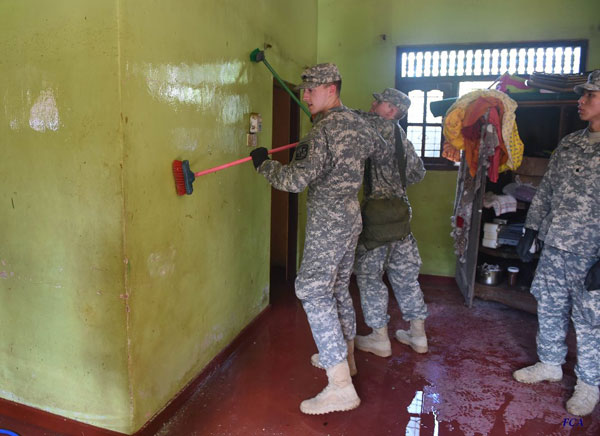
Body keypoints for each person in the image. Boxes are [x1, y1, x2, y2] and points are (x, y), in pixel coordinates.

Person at [249, 63, 390, 415]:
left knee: (313, 289)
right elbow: (381, 146)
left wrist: (263, 163)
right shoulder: (358, 123)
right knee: (338, 288)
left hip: (329, 223)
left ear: (332, 89)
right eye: (304, 89)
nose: (305, 95)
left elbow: (295, 182)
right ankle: (349, 360)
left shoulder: (321, 132)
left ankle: (341, 385)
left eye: (312, 89)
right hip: (350, 218)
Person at [512, 70, 600, 417]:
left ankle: (590, 384)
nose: (581, 101)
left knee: (590, 319)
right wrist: (531, 230)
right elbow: (547, 189)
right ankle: (549, 363)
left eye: (589, 96)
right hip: (556, 242)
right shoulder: (571, 143)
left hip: (591, 251)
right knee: (548, 306)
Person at [351, 89, 429, 357]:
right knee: (406, 276)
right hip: (401, 214)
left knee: (369, 276)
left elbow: (349, 117)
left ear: (392, 111)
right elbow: (418, 173)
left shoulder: (375, 126)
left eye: (379, 102)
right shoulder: (402, 137)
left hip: (377, 217)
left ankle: (379, 338)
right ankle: (418, 335)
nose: (372, 105)